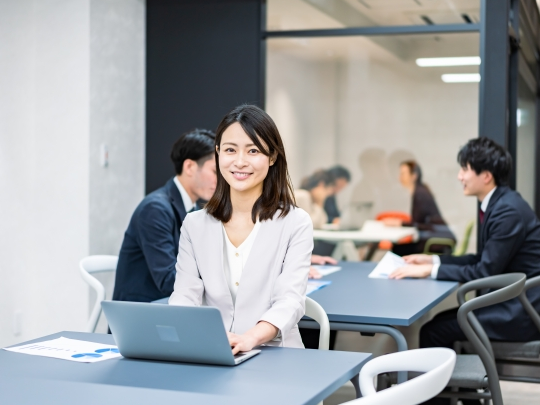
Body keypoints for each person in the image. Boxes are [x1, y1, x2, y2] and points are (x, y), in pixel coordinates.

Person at [389, 138, 540, 378]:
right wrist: (433, 261)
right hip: (515, 304)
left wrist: (429, 272)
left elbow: (484, 272)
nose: (460, 176)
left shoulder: (507, 211)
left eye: (465, 169)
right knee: (439, 324)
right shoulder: (501, 203)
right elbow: (482, 259)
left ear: (486, 176)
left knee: (434, 331)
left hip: (520, 313)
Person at [169, 105, 313, 351]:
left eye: (253, 150)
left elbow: (290, 300)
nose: (239, 162)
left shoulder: (296, 222)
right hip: (211, 350)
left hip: (275, 354)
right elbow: (185, 295)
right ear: (218, 154)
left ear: (272, 157)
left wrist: (250, 338)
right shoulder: (195, 225)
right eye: (230, 150)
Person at [112, 129, 217, 303]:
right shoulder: (155, 210)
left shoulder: (192, 211)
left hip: (167, 307)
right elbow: (168, 279)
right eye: (215, 171)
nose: (220, 180)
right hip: (142, 315)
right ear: (190, 167)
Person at [389, 160, 455, 255]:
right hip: (435, 239)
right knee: (399, 247)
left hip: (437, 242)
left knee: (397, 249)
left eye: (403, 174)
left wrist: (399, 223)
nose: (400, 177)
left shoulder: (420, 194)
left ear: (414, 176)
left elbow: (417, 224)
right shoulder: (419, 191)